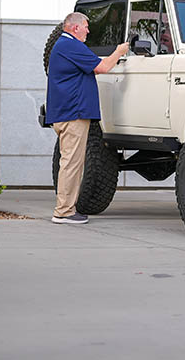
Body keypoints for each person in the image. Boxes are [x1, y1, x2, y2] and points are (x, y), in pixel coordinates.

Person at [46, 12, 128, 224]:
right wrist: (119, 51)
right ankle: (64, 211)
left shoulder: (65, 46)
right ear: (75, 28)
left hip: (68, 113)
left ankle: (65, 209)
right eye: (85, 27)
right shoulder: (70, 46)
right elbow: (102, 67)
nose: (88, 31)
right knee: (72, 164)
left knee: (70, 163)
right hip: (73, 115)